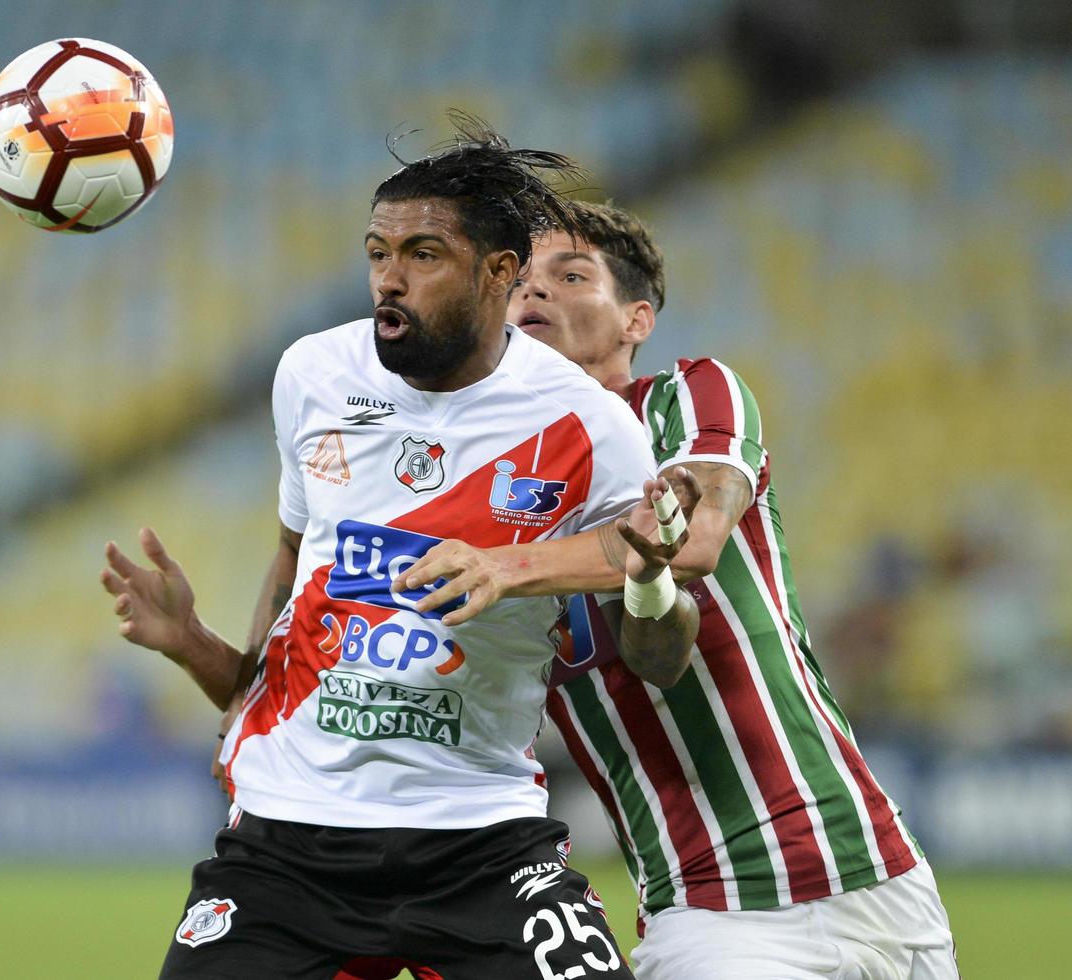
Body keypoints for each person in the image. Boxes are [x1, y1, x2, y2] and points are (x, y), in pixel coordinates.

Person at [100, 118, 699, 979]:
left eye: (423, 254)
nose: (389, 278)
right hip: (288, 846)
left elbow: (659, 655)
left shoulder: (589, 426)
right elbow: (293, 580)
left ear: (500, 273)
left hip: (481, 841)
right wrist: (196, 644)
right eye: (378, 252)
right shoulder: (312, 373)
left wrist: (646, 581)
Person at [392, 200, 960, 979]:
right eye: (520, 280)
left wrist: (506, 567)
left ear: (636, 320)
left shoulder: (686, 397)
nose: (536, 293)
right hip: (710, 912)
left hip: (874, 865)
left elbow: (695, 533)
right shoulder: (474, 492)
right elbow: (653, 654)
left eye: (570, 274)